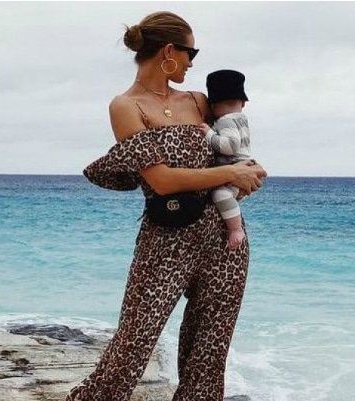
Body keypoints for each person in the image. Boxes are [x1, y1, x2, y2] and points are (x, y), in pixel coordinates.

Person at [66, 11, 267, 401]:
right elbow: (161, 180)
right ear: (169, 51)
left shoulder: (197, 101)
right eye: (191, 52)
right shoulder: (126, 106)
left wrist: (248, 172)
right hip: (165, 239)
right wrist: (231, 175)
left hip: (224, 238)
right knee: (133, 343)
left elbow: (232, 148)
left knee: (209, 352)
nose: (193, 63)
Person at [199, 69, 253, 250]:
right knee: (227, 196)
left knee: (220, 195)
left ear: (213, 106)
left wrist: (209, 134)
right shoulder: (241, 119)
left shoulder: (225, 121)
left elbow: (230, 146)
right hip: (244, 165)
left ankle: (235, 229)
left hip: (233, 166)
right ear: (243, 103)